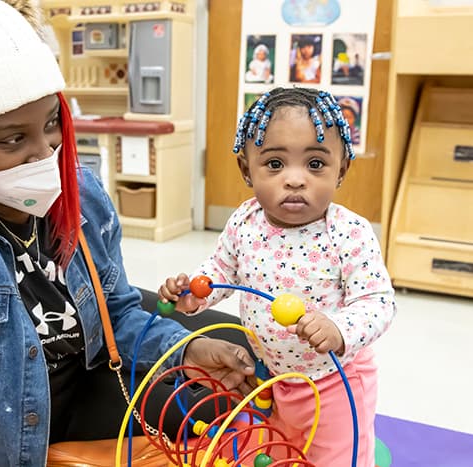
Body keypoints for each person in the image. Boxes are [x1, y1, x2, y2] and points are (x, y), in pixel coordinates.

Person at [0, 0, 256, 466]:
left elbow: (115, 309)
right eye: (13, 139)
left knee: (235, 367)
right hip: (14, 412)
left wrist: (186, 350)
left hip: (93, 368)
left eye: (51, 124)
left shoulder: (77, 185)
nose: (44, 154)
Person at [158, 87, 396, 466]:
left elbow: (378, 302)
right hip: (273, 376)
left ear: (342, 171)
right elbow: (221, 270)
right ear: (246, 170)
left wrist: (338, 329)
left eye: (315, 164)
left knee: (336, 459)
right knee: (283, 452)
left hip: (336, 381)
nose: (295, 179)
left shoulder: (349, 232)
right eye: (274, 164)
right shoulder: (244, 221)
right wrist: (195, 292)